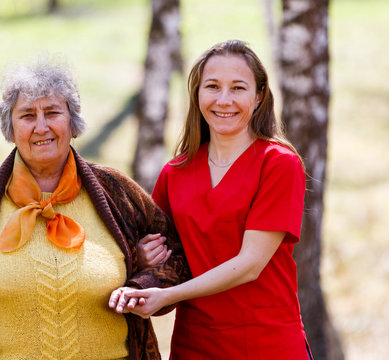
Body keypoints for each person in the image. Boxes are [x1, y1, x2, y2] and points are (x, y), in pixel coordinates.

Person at [0, 55, 190, 360]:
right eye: (27, 115)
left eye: (52, 112)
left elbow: (178, 255)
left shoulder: (116, 192)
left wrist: (141, 276)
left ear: (72, 122)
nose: (41, 126)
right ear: (11, 127)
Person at [109, 39, 313, 359]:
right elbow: (166, 254)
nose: (224, 100)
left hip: (266, 342)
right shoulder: (174, 173)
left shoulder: (278, 164)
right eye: (213, 86)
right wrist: (143, 258)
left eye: (238, 88)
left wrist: (169, 296)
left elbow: (250, 265)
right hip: (195, 344)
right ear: (197, 93)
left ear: (259, 96)